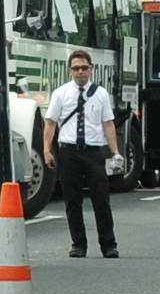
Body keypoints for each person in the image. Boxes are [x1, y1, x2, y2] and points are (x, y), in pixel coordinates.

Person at [44, 49, 125, 258]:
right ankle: (78, 244)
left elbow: (108, 123)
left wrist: (115, 152)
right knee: (72, 201)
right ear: (70, 71)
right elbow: (51, 122)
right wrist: (47, 150)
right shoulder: (61, 93)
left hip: (93, 153)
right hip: (69, 152)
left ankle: (109, 245)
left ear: (91, 70)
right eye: (76, 68)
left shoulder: (101, 94)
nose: (80, 72)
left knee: (101, 200)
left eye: (84, 68)